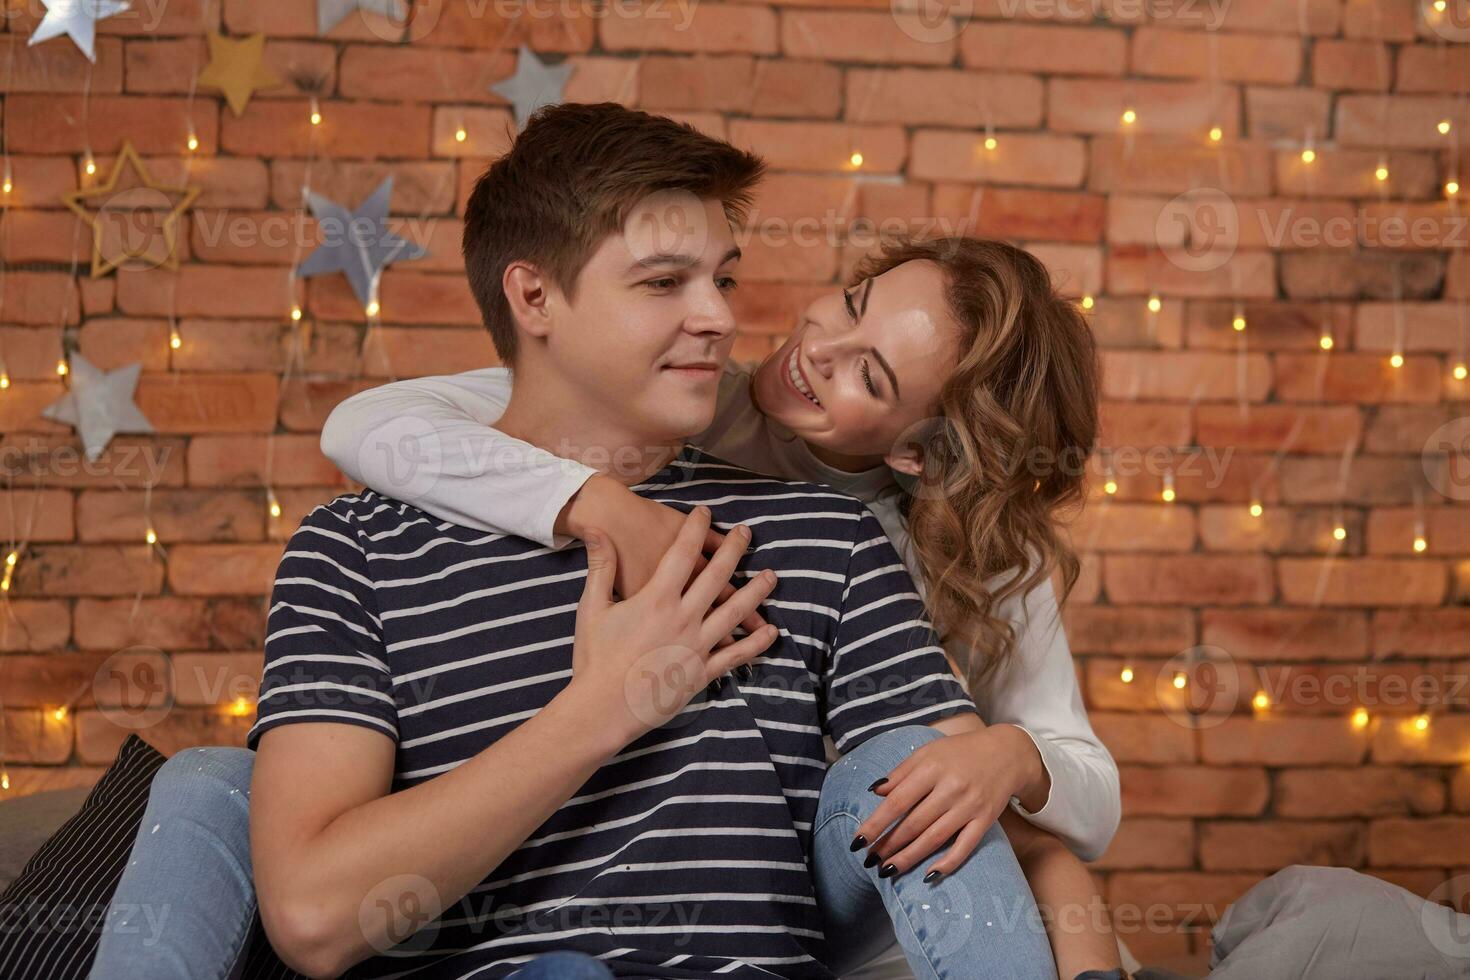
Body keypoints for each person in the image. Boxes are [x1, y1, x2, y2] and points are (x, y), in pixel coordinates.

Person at [87, 103, 1094, 980]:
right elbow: (311, 918)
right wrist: (601, 708)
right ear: (534, 299)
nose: (719, 318)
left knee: (915, 759)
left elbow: (985, 819)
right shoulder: (354, 547)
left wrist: (1027, 792)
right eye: (664, 284)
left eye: (724, 279)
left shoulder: (825, 535)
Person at [319, 227, 1122, 977]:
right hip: (670, 825)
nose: (817, 349)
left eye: (866, 374)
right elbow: (370, 422)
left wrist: (1013, 754)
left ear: (918, 451)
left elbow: (1084, 796)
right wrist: (602, 503)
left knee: (928, 779)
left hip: (846, 860)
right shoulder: (687, 403)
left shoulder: (980, 554)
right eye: (850, 304)